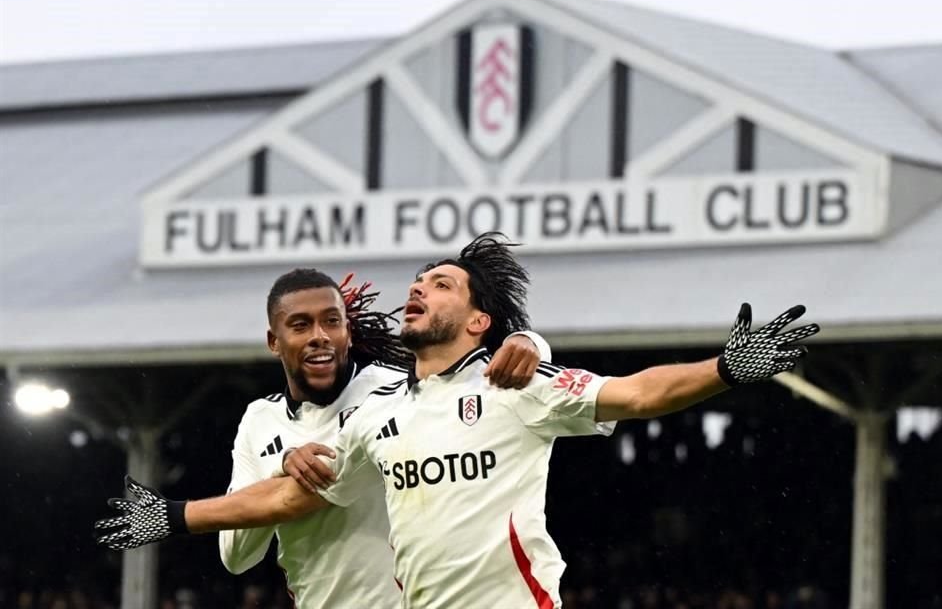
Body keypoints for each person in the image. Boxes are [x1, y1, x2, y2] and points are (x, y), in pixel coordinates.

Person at [97, 233, 820, 609]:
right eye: (417, 281)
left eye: (439, 283)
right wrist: (176, 513)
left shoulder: (517, 382)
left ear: (478, 319)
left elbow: (635, 393)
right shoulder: (380, 414)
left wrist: (725, 368)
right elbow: (292, 498)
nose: (418, 288)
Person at [96, 267, 551, 608]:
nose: (320, 337)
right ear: (274, 341)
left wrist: (531, 340)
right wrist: (279, 465)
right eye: (300, 326)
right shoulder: (260, 420)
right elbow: (237, 557)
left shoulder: (393, 390)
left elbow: (469, 370)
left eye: (332, 322)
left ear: (347, 331)